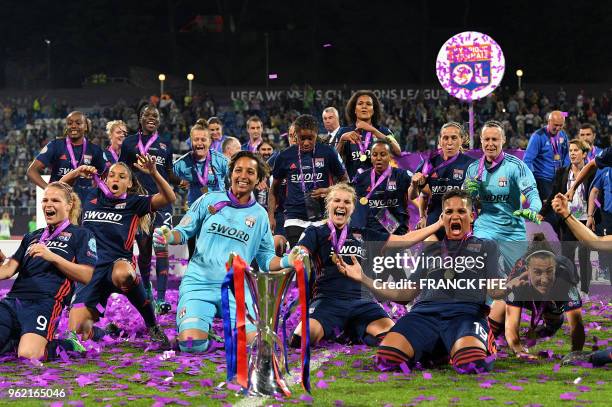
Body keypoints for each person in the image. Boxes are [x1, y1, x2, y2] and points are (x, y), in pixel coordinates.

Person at [337, 190, 510, 373]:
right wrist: (364, 279)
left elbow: (495, 288)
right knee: (387, 360)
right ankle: (440, 349)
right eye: (449, 212)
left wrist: (506, 286)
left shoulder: (487, 247)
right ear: (443, 217)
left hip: (465, 315)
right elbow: (405, 295)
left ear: (472, 216)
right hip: (424, 315)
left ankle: (471, 343)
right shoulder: (431, 250)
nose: (455, 216)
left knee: (471, 363)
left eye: (461, 211)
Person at [153, 151, 301, 353]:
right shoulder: (209, 200)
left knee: (256, 346)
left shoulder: (260, 216)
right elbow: (183, 231)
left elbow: (266, 259)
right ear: (230, 174)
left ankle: (223, 332)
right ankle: (202, 331)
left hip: (237, 289)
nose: (243, 176)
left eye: (250, 172)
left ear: (258, 180)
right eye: (238, 170)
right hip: (199, 284)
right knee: (191, 345)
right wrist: (168, 236)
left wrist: (287, 261)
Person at [291, 183, 443, 347]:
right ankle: (348, 328)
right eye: (337, 200)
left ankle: (353, 329)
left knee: (392, 337)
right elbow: (300, 251)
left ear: (353, 207)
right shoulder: (315, 231)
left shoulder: (363, 233)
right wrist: (298, 255)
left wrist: (438, 224)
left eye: (347, 202)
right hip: (328, 300)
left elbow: (404, 240)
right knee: (301, 340)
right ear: (329, 204)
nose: (341, 205)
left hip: (362, 302)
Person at [62, 157, 175, 349]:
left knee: (124, 274)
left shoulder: (134, 202)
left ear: (129, 183)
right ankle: (106, 331)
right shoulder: (91, 195)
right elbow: (59, 189)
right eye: (112, 175)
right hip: (90, 270)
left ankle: (153, 325)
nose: (116, 179)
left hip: (118, 265)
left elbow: (169, 198)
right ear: (106, 180)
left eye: (122, 176)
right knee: (81, 329)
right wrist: (76, 172)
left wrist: (154, 173)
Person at [0, 182, 97, 360]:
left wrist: (52, 256)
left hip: (45, 303)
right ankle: (17, 338)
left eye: (55, 200)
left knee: (29, 355)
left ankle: (68, 344)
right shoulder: (32, 236)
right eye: (45, 200)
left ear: (69, 205)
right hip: (13, 301)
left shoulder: (81, 235)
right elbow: (7, 271)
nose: (48, 204)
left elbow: (86, 275)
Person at [463, 121, 542, 337]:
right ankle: (482, 321)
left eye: (494, 139)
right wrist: (468, 196)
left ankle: (539, 317)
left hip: (512, 231)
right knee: (482, 266)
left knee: (517, 283)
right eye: (486, 140)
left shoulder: (516, 166)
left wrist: (531, 210)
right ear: (480, 142)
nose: (490, 144)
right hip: (484, 227)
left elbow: (533, 195)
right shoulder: (473, 169)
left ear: (503, 141)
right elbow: (464, 204)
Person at [119, 104, 177, 315]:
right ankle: (147, 289)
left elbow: (169, 173)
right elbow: (122, 171)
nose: (151, 118)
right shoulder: (129, 143)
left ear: (159, 121)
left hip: (161, 203)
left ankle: (161, 299)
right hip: (140, 204)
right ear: (140, 118)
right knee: (144, 251)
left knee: (160, 243)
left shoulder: (166, 145)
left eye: (155, 115)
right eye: (147, 115)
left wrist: (182, 181)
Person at [269, 114, 348, 247]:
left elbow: (345, 181)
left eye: (310, 138)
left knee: (321, 262)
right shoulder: (285, 156)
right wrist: (270, 216)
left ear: (316, 134)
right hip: (294, 218)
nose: (306, 143)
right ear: (296, 136)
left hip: (323, 217)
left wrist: (328, 190)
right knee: (301, 260)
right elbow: (273, 189)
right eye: (302, 138)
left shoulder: (328, 153)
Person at [503, 234, 584, 359]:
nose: (544, 279)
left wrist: (575, 354)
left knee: (553, 322)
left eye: (549, 271)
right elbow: (511, 325)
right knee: (497, 310)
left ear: (556, 268)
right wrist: (519, 350)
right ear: (527, 269)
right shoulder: (518, 280)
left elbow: (577, 325)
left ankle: (544, 328)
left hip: (553, 296)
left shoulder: (565, 279)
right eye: (537, 272)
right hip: (527, 292)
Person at [540, 139, 593, 294]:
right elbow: (553, 195)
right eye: (570, 151)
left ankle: (585, 291)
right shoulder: (562, 172)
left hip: (584, 221)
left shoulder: (592, 172)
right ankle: (571, 287)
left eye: (576, 150)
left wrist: (593, 215)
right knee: (567, 257)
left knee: (584, 257)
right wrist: (542, 212)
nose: (572, 153)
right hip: (568, 220)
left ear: (584, 154)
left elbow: (597, 195)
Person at [408, 122, 475, 239]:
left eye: (454, 138)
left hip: (460, 219)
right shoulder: (429, 163)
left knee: (461, 256)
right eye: (445, 138)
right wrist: (414, 185)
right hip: (435, 220)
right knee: (430, 252)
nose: (449, 142)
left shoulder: (471, 164)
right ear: (440, 140)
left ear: (461, 140)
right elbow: (412, 196)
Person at [174, 119, 229, 257]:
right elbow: (166, 175)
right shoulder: (182, 163)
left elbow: (235, 180)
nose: (199, 143)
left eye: (203, 139)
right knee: (194, 251)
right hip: (195, 211)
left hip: (217, 211)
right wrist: (178, 181)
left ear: (210, 141)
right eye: (196, 139)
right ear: (191, 141)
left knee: (216, 253)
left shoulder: (221, 160)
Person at [27, 111, 108, 202]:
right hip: (59, 202)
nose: (73, 126)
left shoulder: (95, 150)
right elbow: (31, 171)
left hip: (84, 203)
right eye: (69, 123)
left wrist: (98, 192)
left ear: (85, 126)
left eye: (78, 123)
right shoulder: (55, 145)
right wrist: (49, 189)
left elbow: (106, 173)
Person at [335, 91, 401, 181]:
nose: (364, 106)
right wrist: (342, 140)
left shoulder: (383, 131)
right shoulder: (344, 132)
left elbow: (398, 151)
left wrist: (373, 130)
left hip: (378, 186)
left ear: (373, 110)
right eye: (360, 103)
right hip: (353, 188)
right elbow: (333, 160)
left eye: (368, 104)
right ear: (354, 110)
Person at [353, 139, 412, 235]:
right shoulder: (361, 178)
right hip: (372, 234)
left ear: (390, 156)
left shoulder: (402, 175)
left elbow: (418, 193)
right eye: (375, 155)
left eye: (383, 154)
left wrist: (423, 215)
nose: (378, 158)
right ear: (371, 157)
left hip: (397, 232)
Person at [523, 111, 569, 202]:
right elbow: (527, 160)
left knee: (559, 209)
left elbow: (567, 153)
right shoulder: (538, 136)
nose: (558, 128)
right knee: (548, 211)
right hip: (543, 179)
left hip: (559, 178)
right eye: (555, 125)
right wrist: (531, 180)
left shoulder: (563, 134)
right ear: (549, 121)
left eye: (561, 125)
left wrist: (565, 169)